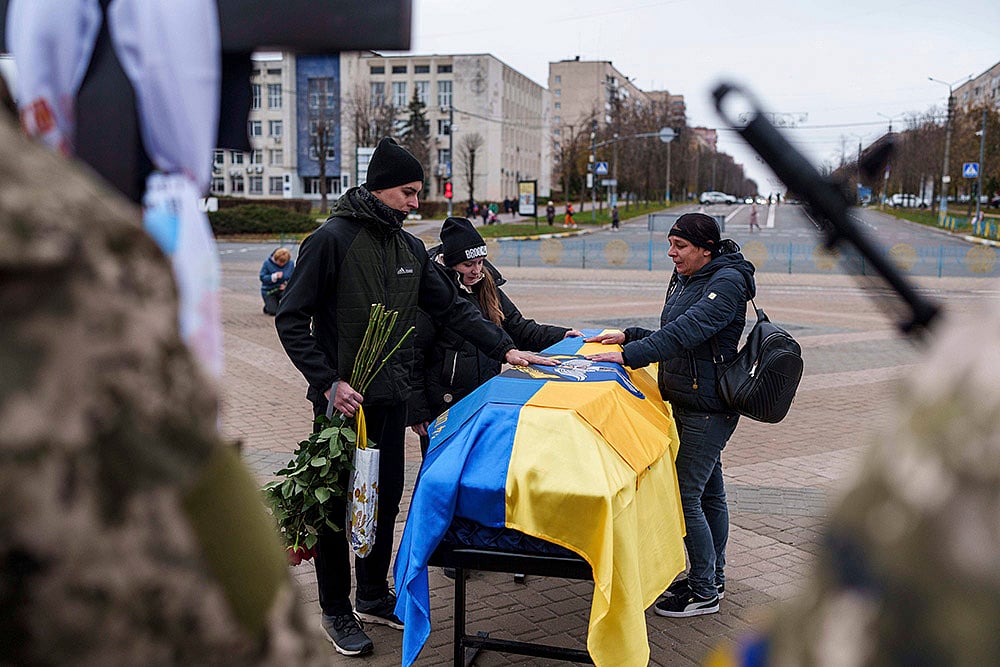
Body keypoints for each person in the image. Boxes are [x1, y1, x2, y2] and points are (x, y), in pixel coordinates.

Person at [275, 137, 554, 657]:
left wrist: (508, 350)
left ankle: (375, 594)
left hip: (392, 400)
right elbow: (292, 319)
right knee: (336, 508)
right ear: (380, 188)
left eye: (417, 192)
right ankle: (336, 610)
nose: (415, 203)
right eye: (408, 192)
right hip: (344, 406)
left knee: (381, 501)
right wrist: (326, 381)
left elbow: (453, 309)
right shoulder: (330, 240)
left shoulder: (408, 249)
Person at [585, 212, 755, 619]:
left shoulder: (726, 283)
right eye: (670, 244)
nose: (671, 253)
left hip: (708, 408)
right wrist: (630, 335)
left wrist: (629, 356)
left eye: (680, 246)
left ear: (705, 249)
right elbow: (674, 331)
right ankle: (711, 576)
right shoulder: (692, 278)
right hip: (691, 401)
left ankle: (703, 592)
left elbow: (686, 332)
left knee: (686, 497)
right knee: (709, 494)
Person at [408, 216, 582, 455]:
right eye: (468, 264)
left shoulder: (487, 286)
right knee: (443, 472)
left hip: (484, 398)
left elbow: (520, 328)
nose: (476, 270)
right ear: (451, 262)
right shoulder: (434, 294)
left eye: (480, 262)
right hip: (444, 405)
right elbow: (414, 353)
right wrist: (417, 410)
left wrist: (562, 336)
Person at [259, 246, 294, 315]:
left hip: (283, 289)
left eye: (284, 262)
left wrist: (286, 285)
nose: (282, 264)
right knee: (273, 312)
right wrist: (273, 277)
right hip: (269, 290)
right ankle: (268, 307)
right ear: (276, 258)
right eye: (280, 261)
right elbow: (262, 277)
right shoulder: (267, 263)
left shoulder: (291, 264)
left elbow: (293, 278)